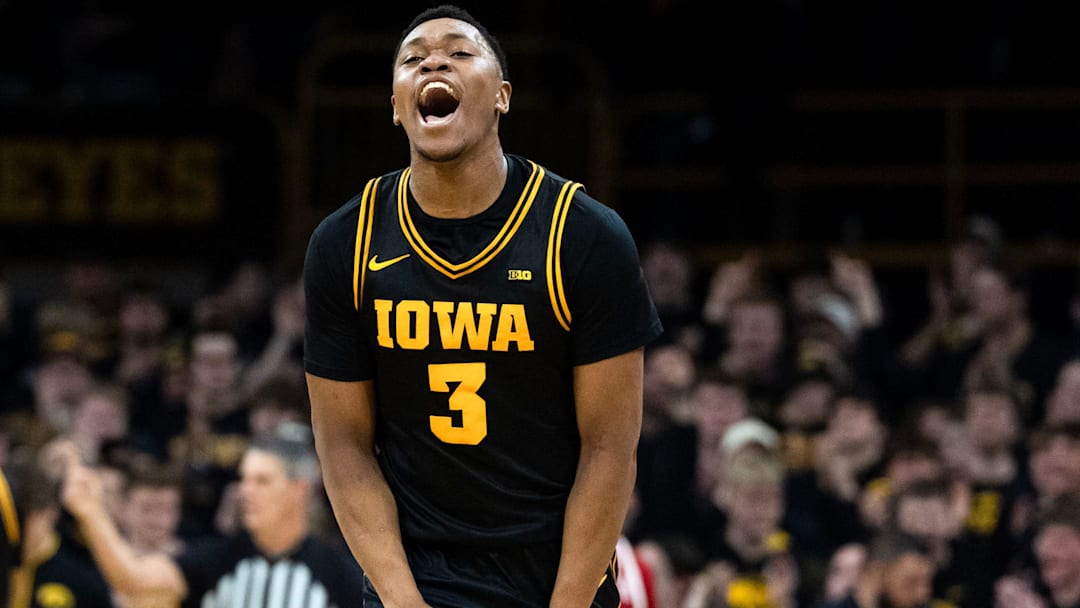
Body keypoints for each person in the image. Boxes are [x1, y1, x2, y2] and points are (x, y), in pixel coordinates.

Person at [302, 5, 663, 607]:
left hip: (554, 573)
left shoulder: (582, 236)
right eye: (413, 58)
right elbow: (342, 444)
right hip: (418, 575)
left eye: (460, 53)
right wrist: (401, 601)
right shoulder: (347, 242)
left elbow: (609, 447)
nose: (434, 61)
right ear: (396, 106)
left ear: (502, 95)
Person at [61, 430, 366, 608]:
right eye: (244, 479)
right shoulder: (217, 559)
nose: (246, 491)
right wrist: (91, 514)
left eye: (262, 481)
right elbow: (135, 583)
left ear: (299, 490)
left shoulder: (337, 574)